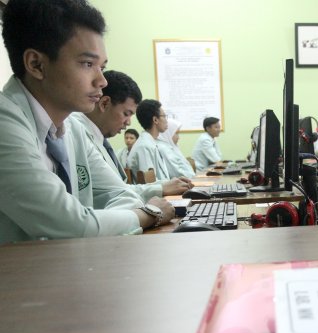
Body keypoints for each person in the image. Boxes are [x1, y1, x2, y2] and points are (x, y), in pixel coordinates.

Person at [0, 0, 174, 243]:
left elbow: (121, 194)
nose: (102, 81)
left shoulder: (72, 128)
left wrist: (96, 223)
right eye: (87, 64)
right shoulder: (5, 124)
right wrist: (146, 214)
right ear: (36, 65)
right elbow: (71, 224)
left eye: (102, 67)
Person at [71, 70, 193, 200]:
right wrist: (161, 188)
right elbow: (117, 192)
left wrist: (164, 185)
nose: (128, 122)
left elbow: (119, 187)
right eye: (126, 114)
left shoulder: (97, 137)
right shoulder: (77, 133)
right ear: (104, 103)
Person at [127, 99, 171, 180]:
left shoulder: (150, 142)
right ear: (155, 120)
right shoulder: (144, 147)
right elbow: (150, 183)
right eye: (164, 116)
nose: (166, 120)